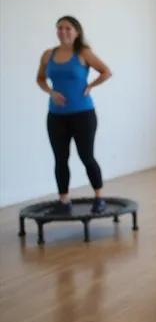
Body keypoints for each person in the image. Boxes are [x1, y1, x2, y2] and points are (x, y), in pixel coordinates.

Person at [35, 16, 112, 215]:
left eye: (68, 28)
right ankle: (63, 201)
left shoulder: (83, 53)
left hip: (83, 115)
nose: (63, 31)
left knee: (86, 156)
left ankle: (99, 197)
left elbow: (106, 71)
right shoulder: (48, 55)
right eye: (60, 28)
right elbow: (40, 79)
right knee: (60, 158)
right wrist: (51, 92)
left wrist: (90, 86)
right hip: (56, 116)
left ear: (76, 31)